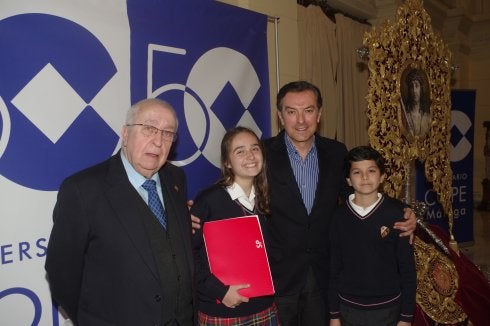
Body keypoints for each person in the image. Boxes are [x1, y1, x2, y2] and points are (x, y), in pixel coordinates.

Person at [193, 81, 416, 325]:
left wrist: (401, 213)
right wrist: (190, 211)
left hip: (323, 275)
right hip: (277, 277)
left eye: (308, 110)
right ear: (280, 116)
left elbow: (359, 195)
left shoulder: (336, 152)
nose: (301, 120)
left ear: (319, 114)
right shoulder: (262, 154)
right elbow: (232, 191)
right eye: (291, 112)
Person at [45, 98, 195, 326]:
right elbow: (61, 272)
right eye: (149, 128)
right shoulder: (83, 190)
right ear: (126, 134)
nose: (158, 141)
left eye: (167, 133)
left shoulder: (176, 179)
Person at [191, 126, 280, 325]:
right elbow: (189, 254)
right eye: (240, 151)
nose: (250, 156)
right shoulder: (209, 200)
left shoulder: (267, 199)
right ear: (227, 162)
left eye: (255, 149)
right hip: (222, 310)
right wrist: (220, 292)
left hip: (264, 305)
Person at [328, 146, 416, 326]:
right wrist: (334, 314)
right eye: (357, 172)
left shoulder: (397, 215)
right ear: (348, 180)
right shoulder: (338, 217)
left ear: (383, 176)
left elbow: (407, 270)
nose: (365, 177)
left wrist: (406, 317)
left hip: (388, 308)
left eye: (371, 171)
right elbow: (333, 268)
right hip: (348, 308)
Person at [401, 69, 431, 137]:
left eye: (417, 86)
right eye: (411, 86)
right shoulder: (405, 116)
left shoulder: (428, 117)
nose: (414, 91)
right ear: (409, 90)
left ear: (421, 88)